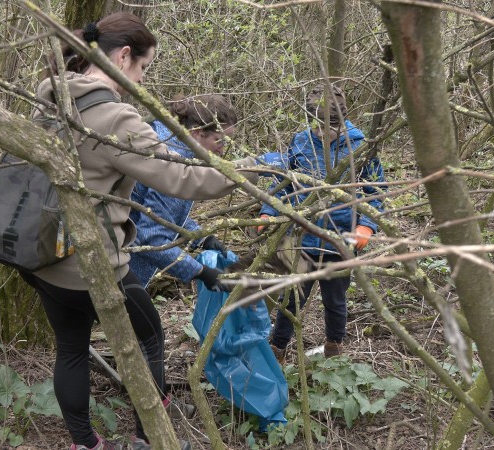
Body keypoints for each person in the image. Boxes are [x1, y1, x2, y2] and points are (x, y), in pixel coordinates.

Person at [20, 13, 262, 450]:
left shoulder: (50, 99)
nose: (143, 78)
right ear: (124, 56)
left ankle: (85, 444)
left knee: (71, 348)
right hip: (89, 263)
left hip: (42, 254)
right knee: (150, 338)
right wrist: (253, 170)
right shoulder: (114, 118)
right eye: (144, 67)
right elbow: (185, 179)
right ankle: (147, 437)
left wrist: (200, 238)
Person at [258, 84, 385, 363]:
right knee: (292, 298)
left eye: (334, 128)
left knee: (335, 300)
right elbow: (282, 182)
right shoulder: (300, 142)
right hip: (302, 235)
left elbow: (375, 190)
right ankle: (276, 350)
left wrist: (366, 225)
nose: (328, 133)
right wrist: (268, 211)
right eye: (323, 127)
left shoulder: (361, 146)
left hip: (340, 238)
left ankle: (334, 351)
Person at [129, 94, 239, 289]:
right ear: (197, 132)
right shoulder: (175, 163)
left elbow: (155, 211)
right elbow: (151, 239)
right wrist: (201, 272)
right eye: (219, 141)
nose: (222, 151)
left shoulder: (160, 134)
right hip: (119, 268)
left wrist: (201, 238)